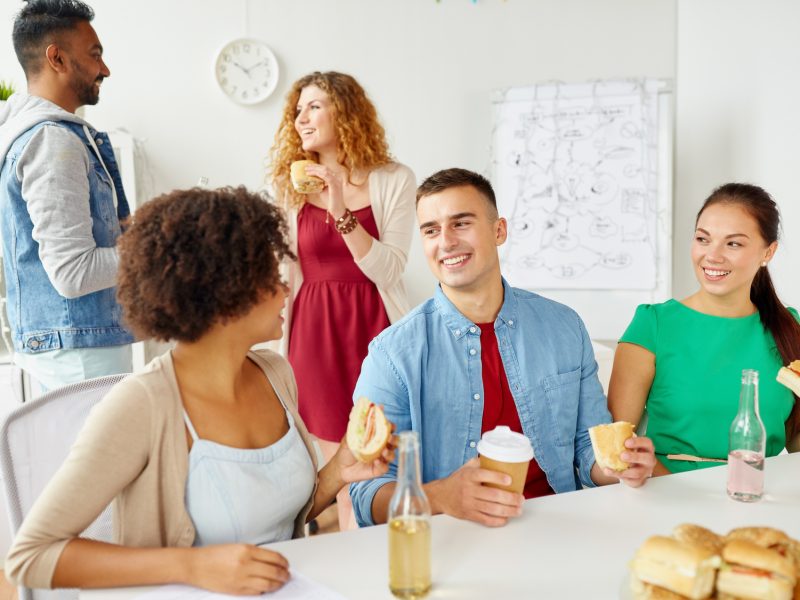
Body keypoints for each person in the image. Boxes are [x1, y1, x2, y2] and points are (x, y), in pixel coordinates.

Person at [4, 187, 394, 594]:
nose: (286, 289)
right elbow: (30, 556)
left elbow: (272, 519)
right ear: (223, 292)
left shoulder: (276, 373)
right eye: (269, 276)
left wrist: (338, 471)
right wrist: (192, 566)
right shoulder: (142, 405)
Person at [349, 168, 656, 528]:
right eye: (431, 230)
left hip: (559, 527)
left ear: (499, 231)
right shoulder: (392, 353)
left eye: (461, 223)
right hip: (452, 536)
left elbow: (588, 449)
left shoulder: (564, 326)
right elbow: (367, 493)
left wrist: (620, 465)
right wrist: (441, 497)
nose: (445, 242)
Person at [269, 71, 415, 526]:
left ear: (345, 113)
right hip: (314, 334)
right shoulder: (289, 188)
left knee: (384, 456)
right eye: (297, 111)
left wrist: (341, 212)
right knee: (342, 468)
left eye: (313, 107)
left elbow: (389, 268)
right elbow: (282, 269)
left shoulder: (394, 179)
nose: (301, 120)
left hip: (377, 329)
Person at [608, 183, 800, 475]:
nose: (713, 255)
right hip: (667, 495)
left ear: (768, 252)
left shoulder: (789, 327)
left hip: (761, 496)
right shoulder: (652, 324)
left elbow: (794, 440)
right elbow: (617, 447)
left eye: (733, 243)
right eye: (703, 239)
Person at [0, 0, 134, 391]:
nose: (105, 69)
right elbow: (73, 273)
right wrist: (158, 250)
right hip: (83, 358)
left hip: (75, 350)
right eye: (95, 55)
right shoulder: (51, 140)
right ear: (56, 58)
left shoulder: (39, 135)